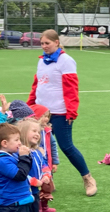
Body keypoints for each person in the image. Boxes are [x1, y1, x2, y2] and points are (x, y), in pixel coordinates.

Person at [27, 29, 97, 196]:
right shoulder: (41, 61)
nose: (44, 46)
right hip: (40, 112)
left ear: (57, 42)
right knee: (39, 146)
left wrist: (71, 112)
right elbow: (37, 85)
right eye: (42, 43)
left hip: (60, 112)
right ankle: (47, 180)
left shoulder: (66, 61)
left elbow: (72, 88)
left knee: (66, 146)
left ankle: (88, 178)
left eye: (47, 43)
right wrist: (31, 106)